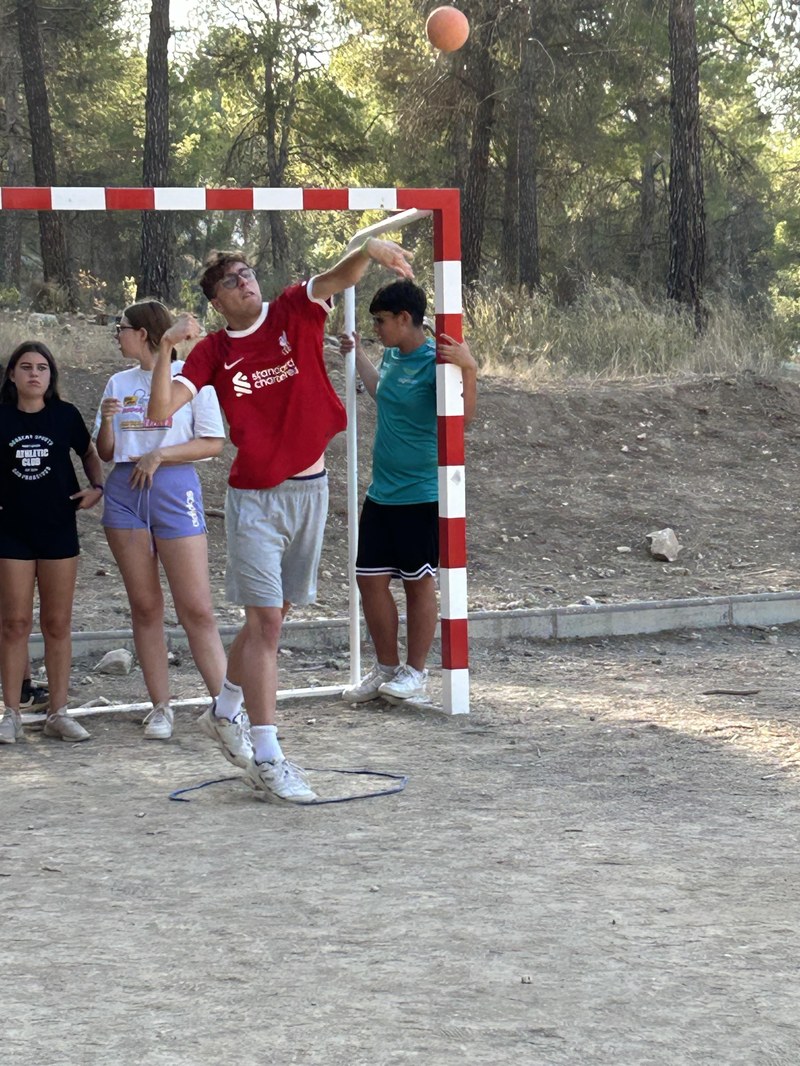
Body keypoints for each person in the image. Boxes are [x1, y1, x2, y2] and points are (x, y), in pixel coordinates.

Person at [147, 237, 414, 803]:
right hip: (256, 500)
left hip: (311, 491)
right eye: (231, 280)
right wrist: (168, 347)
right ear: (217, 301)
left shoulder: (293, 307)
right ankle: (268, 754)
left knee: (272, 618)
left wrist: (370, 248)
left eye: (247, 271)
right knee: (266, 623)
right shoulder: (215, 350)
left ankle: (224, 709)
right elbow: (160, 410)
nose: (245, 281)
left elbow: (338, 276)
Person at [93, 300, 229, 740]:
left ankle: (228, 709)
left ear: (145, 334)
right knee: (146, 606)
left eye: (122, 327)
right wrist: (109, 426)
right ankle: (160, 707)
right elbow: (107, 453)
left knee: (197, 608)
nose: (118, 334)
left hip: (173, 488)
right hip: (125, 493)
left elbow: (212, 443)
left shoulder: (193, 376)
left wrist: (161, 453)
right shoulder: (118, 380)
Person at [340, 280, 477, 705]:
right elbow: (381, 393)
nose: (377, 327)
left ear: (404, 318)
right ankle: (386, 670)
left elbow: (462, 421)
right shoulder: (393, 356)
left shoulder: (438, 362)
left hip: (421, 494)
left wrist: (470, 369)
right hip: (382, 493)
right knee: (369, 581)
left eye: (381, 321)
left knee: (420, 584)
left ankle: (415, 674)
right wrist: (358, 353)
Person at [0, 341, 105, 744]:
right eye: (25, 367)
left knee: (57, 623)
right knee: (14, 624)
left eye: (42, 368)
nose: (33, 374)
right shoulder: (2, 417)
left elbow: (90, 452)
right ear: (12, 375)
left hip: (59, 529)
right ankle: (11, 713)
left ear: (50, 376)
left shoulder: (64, 416)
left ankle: (59, 712)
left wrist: (97, 487)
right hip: (11, 533)